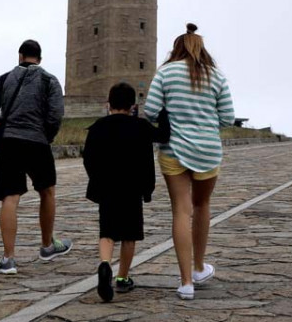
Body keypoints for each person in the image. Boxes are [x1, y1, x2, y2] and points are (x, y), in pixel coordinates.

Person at [144, 23, 235, 300]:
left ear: (177, 48)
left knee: (181, 212)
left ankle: (185, 283)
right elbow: (228, 117)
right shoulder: (216, 76)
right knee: (202, 205)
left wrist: (174, 117)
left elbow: (149, 110)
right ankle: (198, 266)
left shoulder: (166, 72)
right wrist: (206, 124)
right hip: (208, 151)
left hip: (173, 151)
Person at [0, 39, 70, 274]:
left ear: (20, 56)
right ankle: (46, 246)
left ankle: (9, 258)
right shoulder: (50, 80)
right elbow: (55, 115)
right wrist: (46, 135)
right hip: (38, 142)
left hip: (10, 142)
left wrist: (5, 124)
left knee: (10, 198)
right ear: (39, 59)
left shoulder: (3, 79)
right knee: (47, 191)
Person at [83, 82, 157, 302]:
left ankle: (105, 265)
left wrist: (96, 180)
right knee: (129, 235)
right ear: (133, 106)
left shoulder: (97, 127)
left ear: (109, 104)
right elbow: (163, 136)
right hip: (133, 187)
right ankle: (123, 278)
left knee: (107, 232)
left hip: (106, 187)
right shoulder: (141, 126)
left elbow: (88, 158)